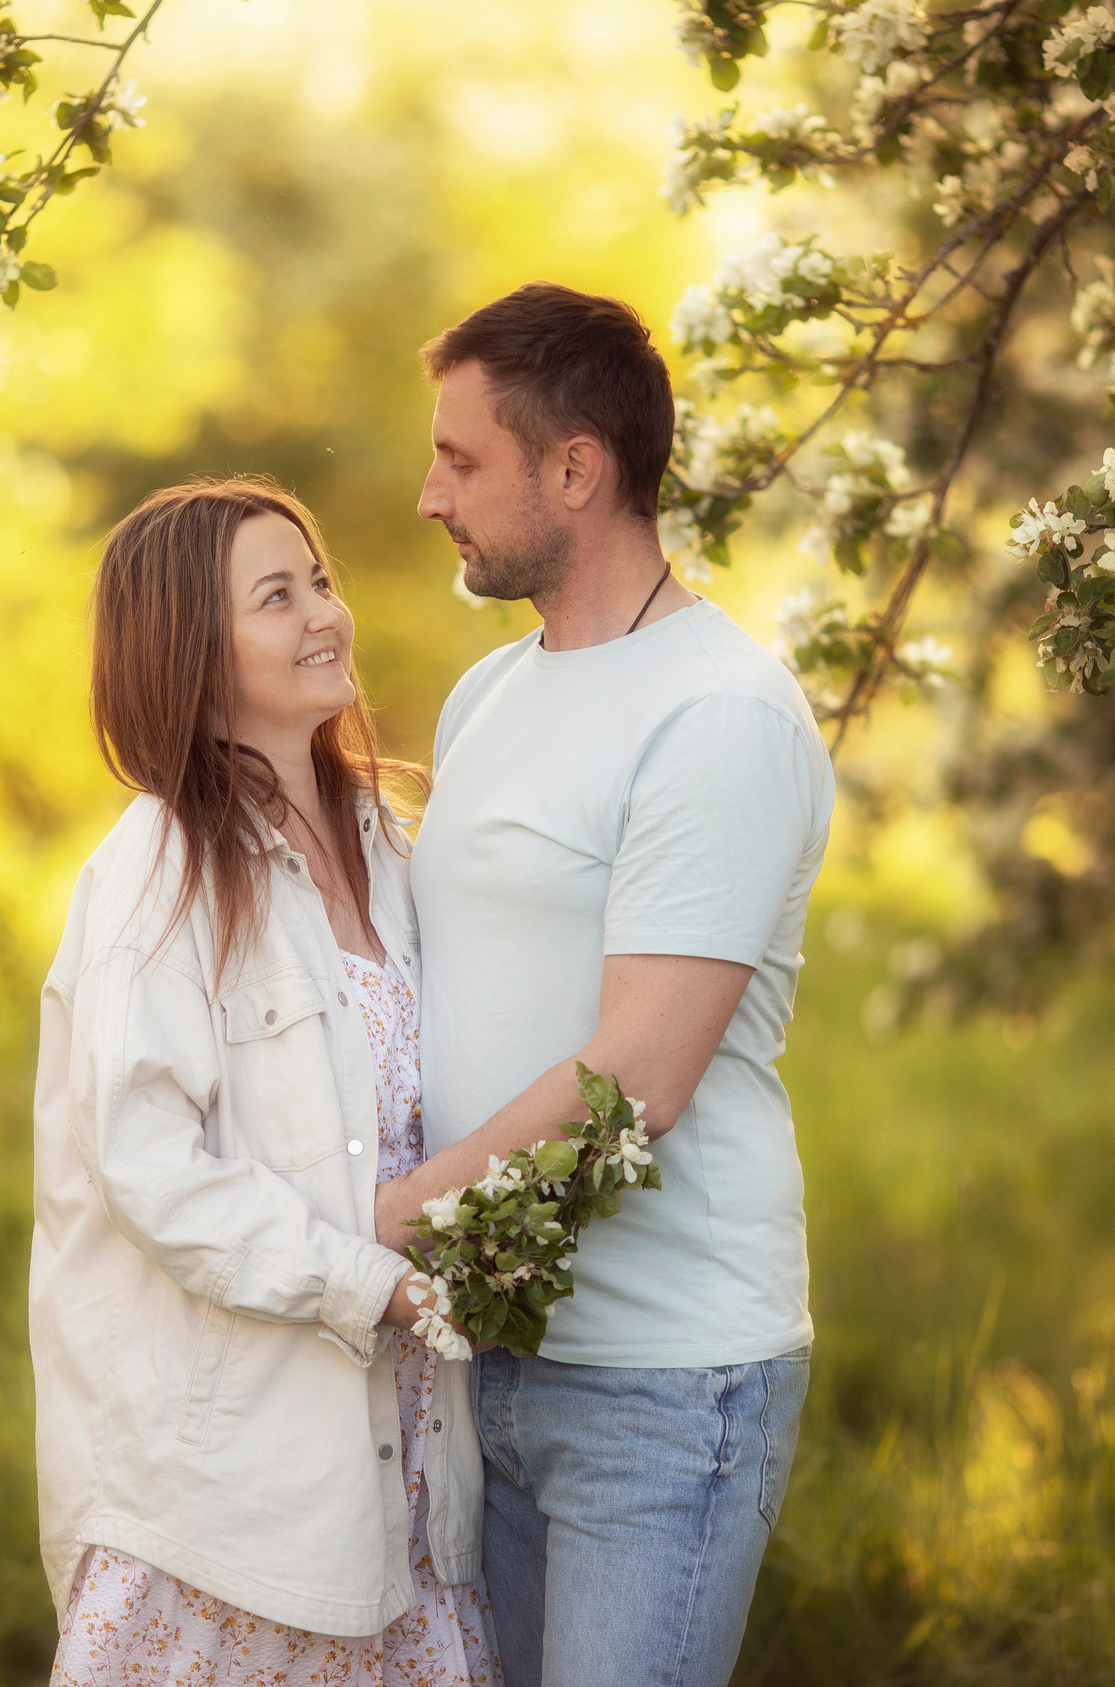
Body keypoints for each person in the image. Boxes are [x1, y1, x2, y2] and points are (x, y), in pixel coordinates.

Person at [381, 284, 835, 1687]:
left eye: (461, 460)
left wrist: (386, 1217)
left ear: (576, 467)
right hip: (493, 1354)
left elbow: (639, 1075)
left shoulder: (720, 713)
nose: (426, 495)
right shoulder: (488, 693)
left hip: (663, 1378)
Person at [31, 476, 499, 1685]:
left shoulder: (390, 842)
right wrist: (371, 1283)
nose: (323, 615)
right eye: (275, 597)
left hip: (404, 1462)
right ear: (191, 649)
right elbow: (150, 1170)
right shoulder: (160, 870)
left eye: (322, 581)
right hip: (230, 1500)